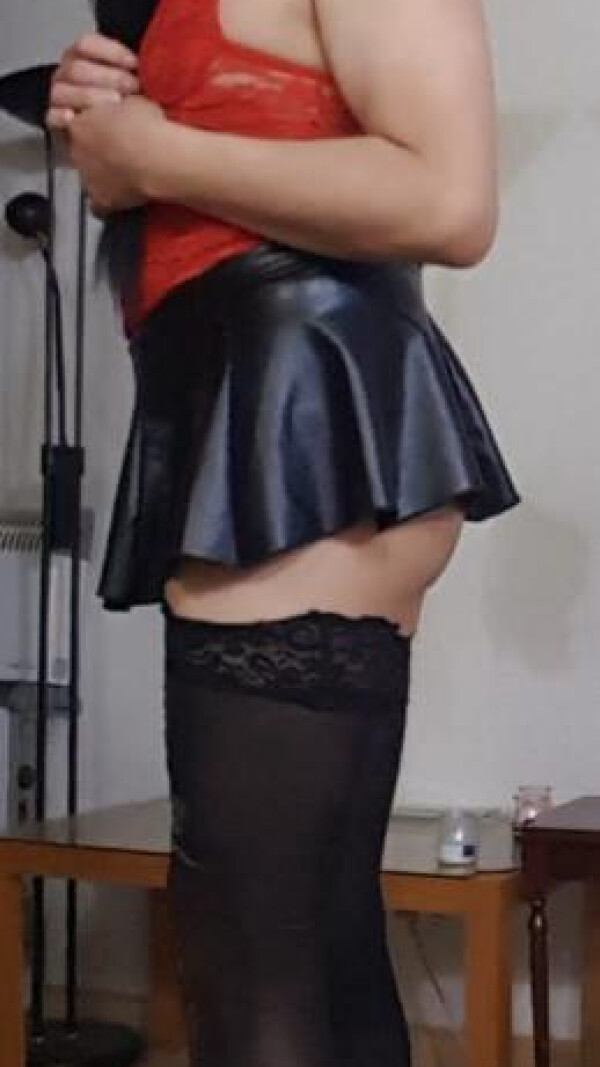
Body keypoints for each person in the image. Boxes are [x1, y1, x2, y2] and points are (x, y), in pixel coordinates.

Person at [48, 1, 518, 1065]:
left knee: (256, 972)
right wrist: (108, 122)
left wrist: (153, 151)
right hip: (257, 403)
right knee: (313, 953)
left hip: (297, 414)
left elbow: (450, 200)